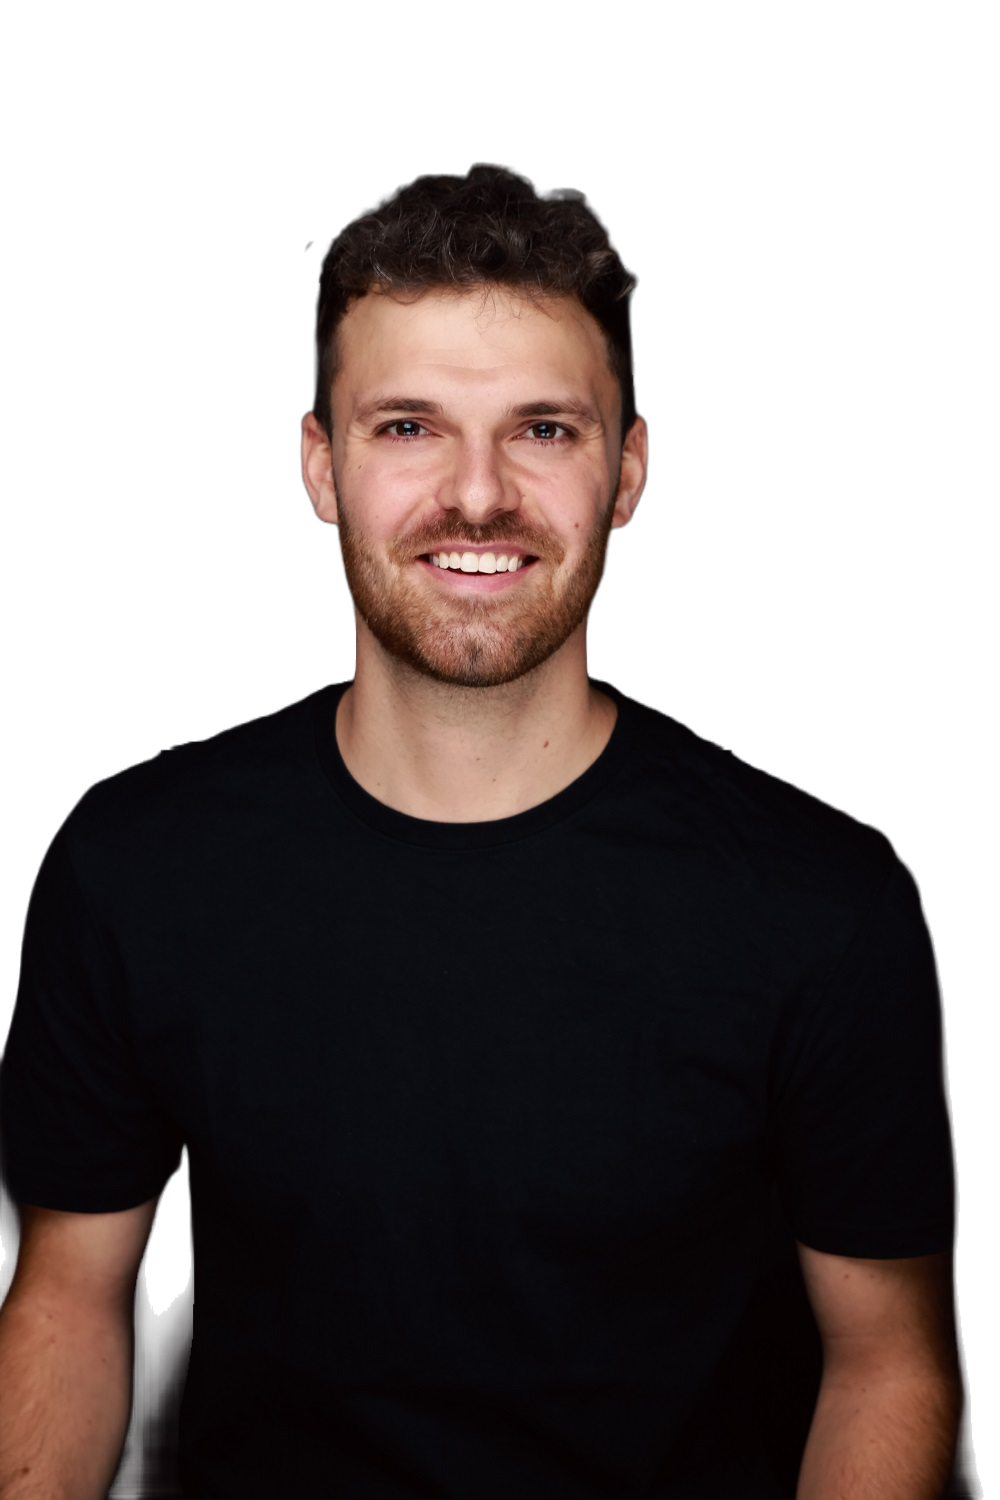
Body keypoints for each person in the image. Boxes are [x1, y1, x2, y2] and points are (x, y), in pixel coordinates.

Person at [0, 163, 972, 1499]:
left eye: (544, 430)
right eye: (407, 426)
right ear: (319, 466)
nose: (476, 494)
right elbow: (68, 1297)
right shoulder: (130, 864)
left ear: (627, 472)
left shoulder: (826, 904)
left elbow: (888, 1358)